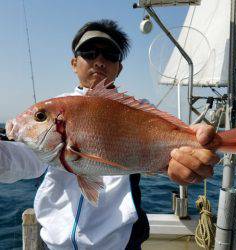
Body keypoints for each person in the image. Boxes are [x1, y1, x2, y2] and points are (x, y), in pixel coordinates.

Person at [0, 19, 219, 250]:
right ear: (75, 63)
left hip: (119, 243)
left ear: (119, 67)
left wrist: (196, 153)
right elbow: (20, 159)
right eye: (89, 52)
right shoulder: (57, 109)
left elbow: (175, 150)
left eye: (110, 54)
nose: (100, 61)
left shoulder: (138, 110)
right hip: (55, 245)